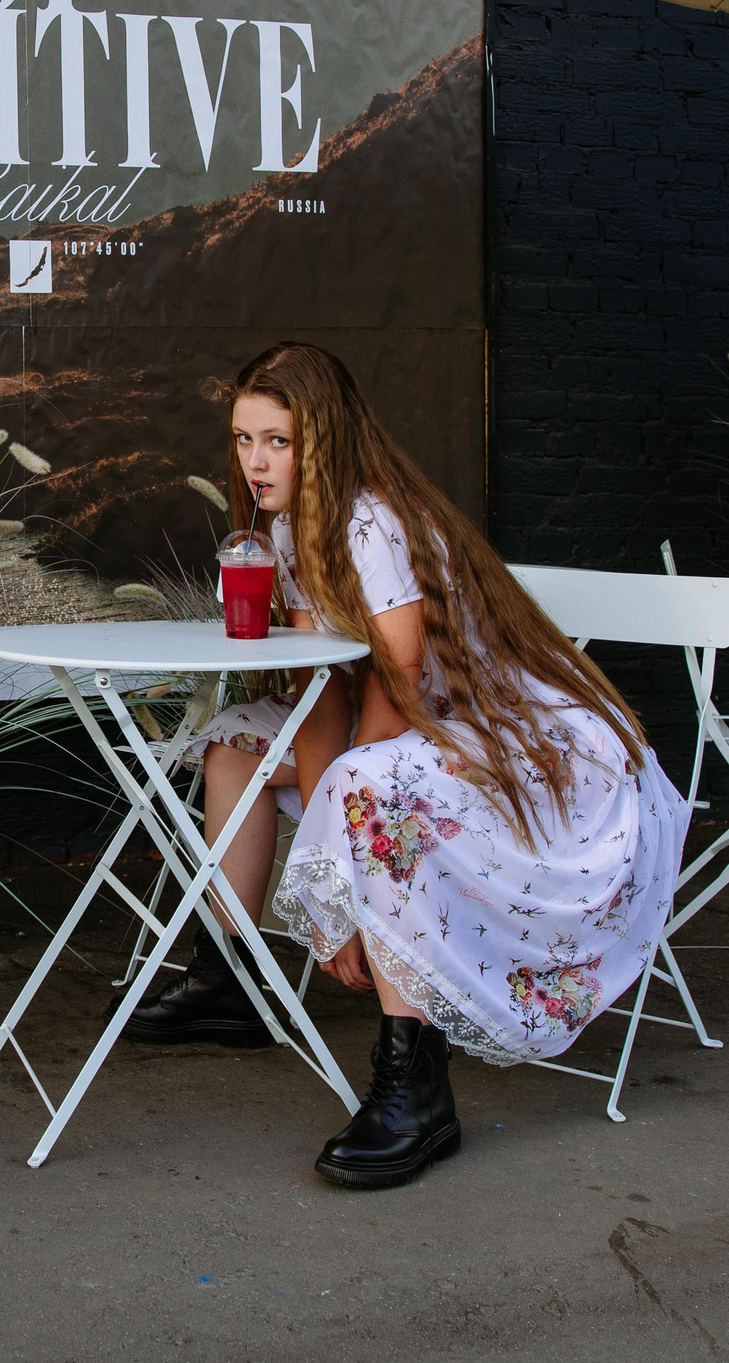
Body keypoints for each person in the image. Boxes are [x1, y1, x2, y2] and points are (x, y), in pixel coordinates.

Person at [125, 342, 687, 1190]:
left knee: (369, 792)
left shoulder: (368, 521)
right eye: (243, 440)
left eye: (276, 440)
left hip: (517, 738)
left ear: (324, 437)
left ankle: (414, 1083)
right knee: (236, 744)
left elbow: (395, 697)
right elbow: (321, 698)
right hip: (429, 731)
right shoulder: (287, 528)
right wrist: (329, 883)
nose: (254, 462)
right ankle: (234, 977)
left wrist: (341, 884)